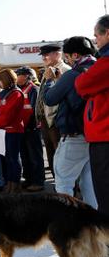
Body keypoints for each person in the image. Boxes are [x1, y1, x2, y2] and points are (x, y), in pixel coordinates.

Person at [44, 36, 97, 208]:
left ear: (75, 55)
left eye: (66, 57)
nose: (66, 60)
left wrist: (50, 81)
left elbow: (50, 98)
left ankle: (66, 226)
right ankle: (94, 222)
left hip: (74, 134)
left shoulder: (73, 74)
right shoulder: (99, 68)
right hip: (94, 134)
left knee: (63, 181)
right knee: (89, 184)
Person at [76, 15, 109, 214]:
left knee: (105, 194)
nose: (95, 40)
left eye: (97, 35)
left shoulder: (105, 62)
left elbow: (82, 85)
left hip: (104, 137)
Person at [35, 43, 71, 176]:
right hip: (46, 119)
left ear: (57, 54)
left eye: (46, 54)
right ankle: (58, 184)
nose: (44, 58)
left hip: (56, 119)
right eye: (43, 55)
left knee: (60, 156)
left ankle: (67, 188)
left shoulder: (65, 70)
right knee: (51, 155)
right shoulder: (48, 69)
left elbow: (60, 95)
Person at [0, 69, 25, 193]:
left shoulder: (16, 93)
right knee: (7, 158)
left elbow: (8, 114)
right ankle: (9, 182)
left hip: (13, 131)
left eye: (0, 80)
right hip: (2, 131)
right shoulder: (4, 93)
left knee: (13, 158)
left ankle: (15, 184)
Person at [16, 66, 45, 192]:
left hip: (32, 128)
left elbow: (34, 110)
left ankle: (38, 181)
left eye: (19, 75)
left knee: (35, 156)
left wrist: (29, 124)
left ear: (27, 76)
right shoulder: (19, 89)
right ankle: (28, 179)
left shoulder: (34, 89)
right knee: (25, 156)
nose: (17, 77)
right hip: (22, 128)